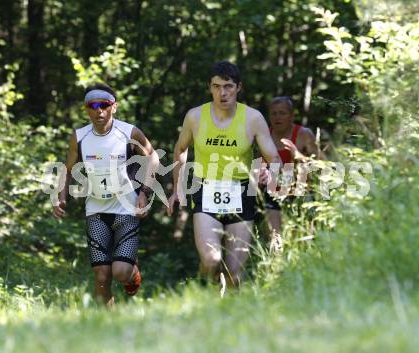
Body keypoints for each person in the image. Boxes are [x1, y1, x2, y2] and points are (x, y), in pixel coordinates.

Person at [166, 61, 280, 287]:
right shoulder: (195, 117)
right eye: (216, 87)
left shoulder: (253, 118)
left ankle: (224, 313)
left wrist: (270, 173)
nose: (222, 93)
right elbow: (180, 149)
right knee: (211, 259)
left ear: (238, 87)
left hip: (241, 192)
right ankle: (206, 289)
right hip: (204, 189)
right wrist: (178, 189)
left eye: (228, 86)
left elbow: (273, 157)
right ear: (210, 88)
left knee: (234, 274)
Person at [52, 83, 158, 306]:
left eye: (104, 105)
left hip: (126, 208)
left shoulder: (129, 132)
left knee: (120, 272)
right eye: (93, 106)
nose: (99, 110)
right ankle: (105, 326)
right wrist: (60, 196)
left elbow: (152, 157)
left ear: (114, 107)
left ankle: (132, 270)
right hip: (96, 209)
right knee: (101, 275)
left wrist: (145, 193)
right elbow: (67, 169)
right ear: (87, 109)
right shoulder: (79, 137)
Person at [263, 96, 321, 246]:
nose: (277, 117)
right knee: (275, 241)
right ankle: (275, 267)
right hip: (274, 194)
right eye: (273, 113)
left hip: (301, 195)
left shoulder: (304, 134)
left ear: (291, 116)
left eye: (282, 113)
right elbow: (258, 165)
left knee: (301, 242)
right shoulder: (264, 135)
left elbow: (321, 165)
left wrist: (298, 155)